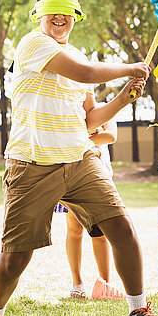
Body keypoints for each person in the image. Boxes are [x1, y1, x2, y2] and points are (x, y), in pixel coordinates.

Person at [0, 0, 158, 316]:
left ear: (76, 16)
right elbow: (88, 73)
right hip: (32, 163)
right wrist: (130, 67)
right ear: (38, 15)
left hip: (80, 158)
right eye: (51, 13)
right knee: (16, 254)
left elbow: (90, 118)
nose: (60, 19)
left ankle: (138, 311)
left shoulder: (78, 56)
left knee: (121, 227)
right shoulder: (32, 44)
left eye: (67, 13)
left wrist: (122, 97)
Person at [58, 117, 124, 300]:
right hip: (70, 175)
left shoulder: (104, 110)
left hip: (98, 178)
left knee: (101, 232)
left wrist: (76, 137)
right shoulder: (71, 109)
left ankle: (104, 283)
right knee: (74, 231)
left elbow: (110, 135)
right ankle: (77, 283)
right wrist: (87, 136)